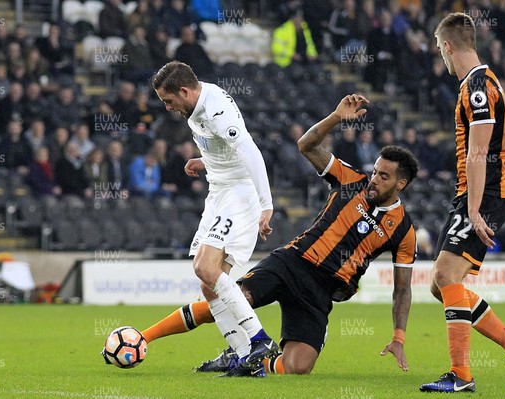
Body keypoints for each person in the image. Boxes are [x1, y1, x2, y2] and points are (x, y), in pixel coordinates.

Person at [140, 95, 419, 376]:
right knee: (233, 300)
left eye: (384, 177)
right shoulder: (350, 180)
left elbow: (403, 288)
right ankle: (144, 338)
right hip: (293, 262)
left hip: (321, 291)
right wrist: (335, 118)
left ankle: (243, 357)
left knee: (298, 367)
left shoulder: (404, 230)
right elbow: (306, 145)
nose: (374, 179)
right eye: (375, 172)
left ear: (401, 183)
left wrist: (399, 337)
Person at [420, 12, 505, 393]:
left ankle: (462, 375)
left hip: (480, 196)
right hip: (483, 192)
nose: (441, 58)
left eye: (440, 50)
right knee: (442, 285)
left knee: (444, 277)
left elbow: (477, 152)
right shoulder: (490, 83)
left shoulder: (475, 87)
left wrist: (474, 208)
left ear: (449, 46)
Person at [142, 61, 276, 377]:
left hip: (239, 195)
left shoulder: (217, 111)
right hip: (218, 193)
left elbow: (250, 151)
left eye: (169, 99)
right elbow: (225, 149)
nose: (168, 107)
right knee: (210, 286)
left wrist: (265, 204)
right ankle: (244, 356)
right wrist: (206, 161)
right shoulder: (196, 107)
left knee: (204, 267)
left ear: (185, 91)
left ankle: (260, 341)